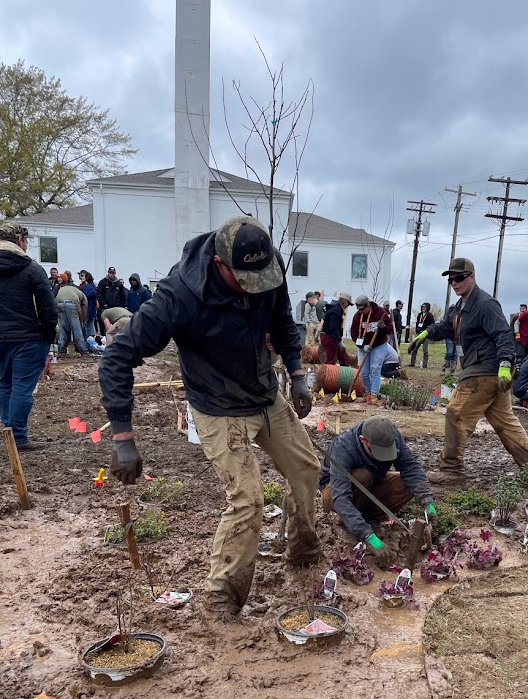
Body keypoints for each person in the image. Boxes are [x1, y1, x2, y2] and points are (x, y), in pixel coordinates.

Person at [99, 214, 321, 622]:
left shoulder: (266, 270)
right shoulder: (179, 295)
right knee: (249, 501)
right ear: (220, 265)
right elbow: (117, 357)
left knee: (307, 469)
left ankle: (303, 549)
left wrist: (298, 375)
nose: (256, 287)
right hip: (217, 406)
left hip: (262, 394)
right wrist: (122, 436)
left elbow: (284, 324)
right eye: (244, 280)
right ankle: (222, 600)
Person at [407, 257, 528, 486]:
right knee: (506, 423)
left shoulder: (485, 304)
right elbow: (447, 326)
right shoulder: (460, 307)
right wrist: (427, 333)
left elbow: (503, 335)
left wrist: (506, 365)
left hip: (484, 371)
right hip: (485, 372)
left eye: (459, 278)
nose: (455, 283)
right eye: (451, 280)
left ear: (472, 277)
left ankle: (451, 470)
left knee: (456, 413)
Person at [319, 416, 437, 567]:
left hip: (372, 484)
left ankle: (371, 518)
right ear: (363, 440)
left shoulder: (391, 436)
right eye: (377, 452)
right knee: (362, 476)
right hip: (334, 494)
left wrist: (428, 503)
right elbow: (340, 497)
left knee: (406, 483)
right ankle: (351, 523)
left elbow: (411, 468)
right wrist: (368, 537)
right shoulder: (343, 446)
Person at [0, 222, 58, 450]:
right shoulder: (32, 269)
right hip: (28, 338)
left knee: (5, 385)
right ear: (20, 241)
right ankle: (19, 438)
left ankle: (8, 432)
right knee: (22, 388)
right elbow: (48, 307)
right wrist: (48, 337)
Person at [350, 295, 392, 402]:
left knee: (375, 369)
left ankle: (374, 394)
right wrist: (362, 346)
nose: (360, 311)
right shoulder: (357, 316)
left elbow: (390, 329)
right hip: (363, 346)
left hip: (379, 345)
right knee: (363, 372)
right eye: (358, 309)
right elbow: (354, 334)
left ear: (368, 305)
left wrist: (383, 327)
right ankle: (368, 392)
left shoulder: (381, 313)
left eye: (362, 309)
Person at [56, 272, 90, 357]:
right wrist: (82, 319)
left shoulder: (62, 289)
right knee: (76, 328)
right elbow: (84, 307)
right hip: (72, 304)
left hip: (59, 303)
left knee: (63, 328)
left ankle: (62, 350)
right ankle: (83, 350)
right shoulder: (81, 295)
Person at [319, 293, 352, 365]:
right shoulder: (336, 311)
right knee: (331, 359)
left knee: (342, 355)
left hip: (328, 336)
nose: (348, 306)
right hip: (330, 337)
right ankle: (328, 374)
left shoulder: (333, 308)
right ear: (345, 301)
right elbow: (333, 328)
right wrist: (339, 340)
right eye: (348, 304)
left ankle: (346, 371)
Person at [409, 302, 435, 368]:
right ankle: (412, 362)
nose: (423, 308)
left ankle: (424, 364)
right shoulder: (419, 315)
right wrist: (417, 330)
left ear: (427, 308)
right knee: (415, 348)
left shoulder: (430, 316)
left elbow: (432, 325)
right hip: (419, 334)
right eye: (422, 307)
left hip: (426, 334)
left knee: (425, 350)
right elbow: (417, 323)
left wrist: (428, 331)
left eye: (425, 307)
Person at [78, 270, 98, 338]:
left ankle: (88, 341)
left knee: (87, 326)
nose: (80, 277)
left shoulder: (89, 287)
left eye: (82, 276)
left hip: (88, 309)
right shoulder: (85, 286)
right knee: (90, 326)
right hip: (89, 309)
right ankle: (92, 340)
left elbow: (84, 297)